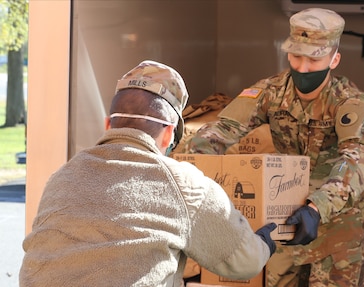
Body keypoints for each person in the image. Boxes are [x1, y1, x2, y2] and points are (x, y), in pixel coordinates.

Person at [19, 60, 277, 287]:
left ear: (108, 125)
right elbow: (245, 261)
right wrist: (265, 241)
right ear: (168, 133)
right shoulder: (183, 183)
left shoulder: (62, 176)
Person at [185, 8, 364, 287]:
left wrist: (317, 207)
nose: (302, 67)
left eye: (314, 58)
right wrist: (190, 168)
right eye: (296, 56)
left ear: (334, 59)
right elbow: (222, 130)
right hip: (284, 216)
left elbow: (358, 159)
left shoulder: (350, 102)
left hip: (335, 227)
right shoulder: (270, 91)